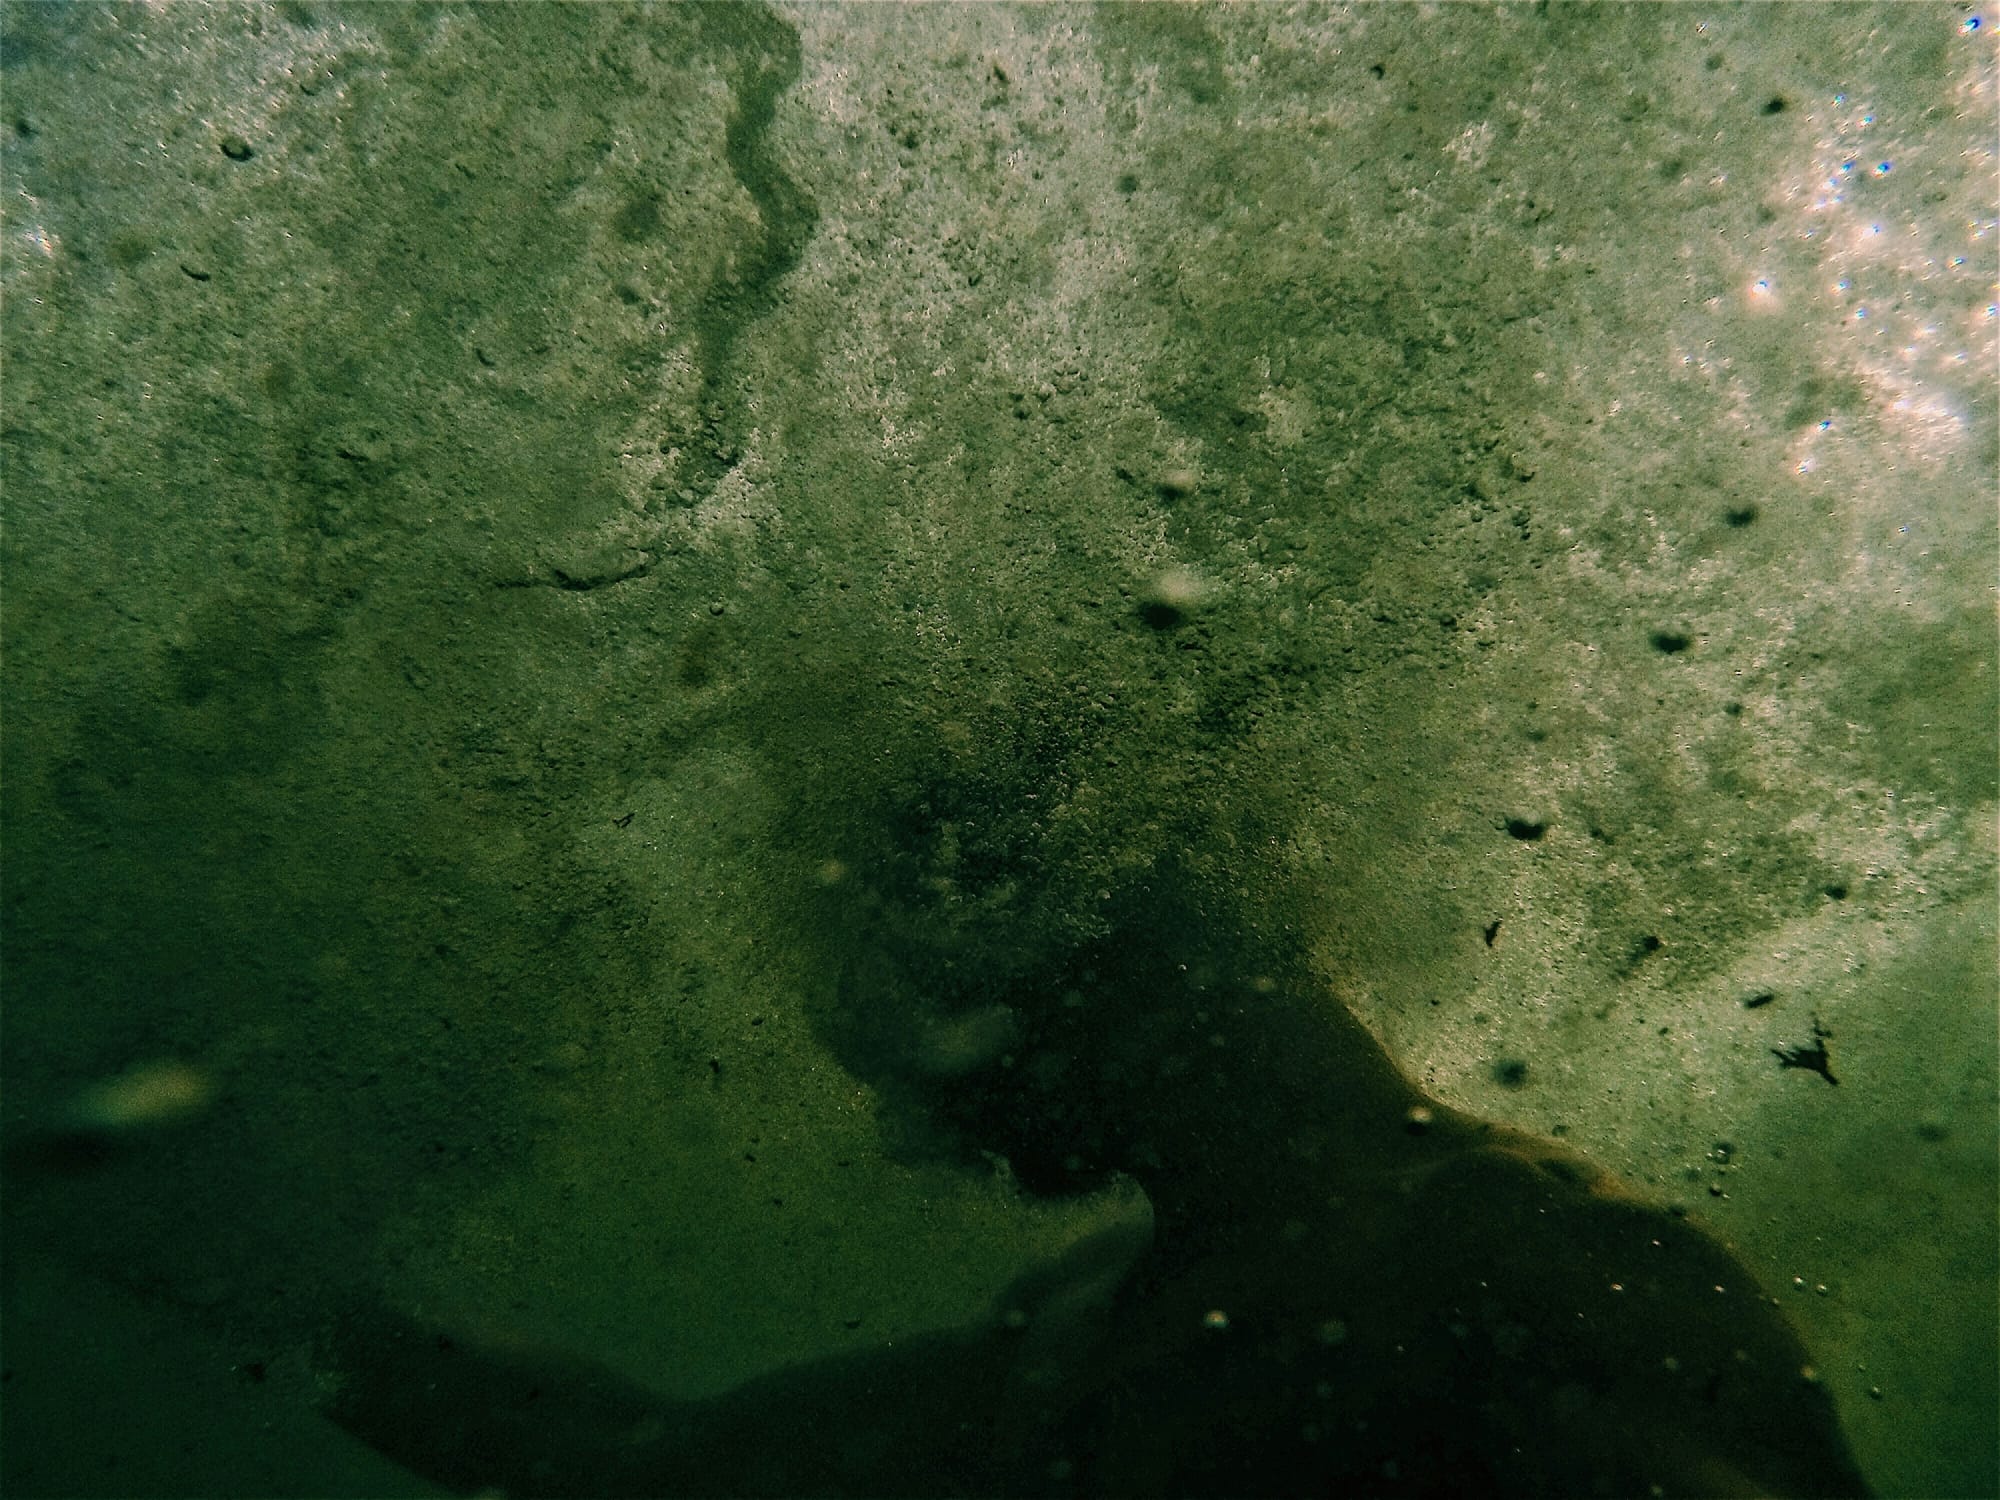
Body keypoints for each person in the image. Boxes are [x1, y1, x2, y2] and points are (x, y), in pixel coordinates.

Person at [325, 868, 1872, 1498]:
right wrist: (268, 1292)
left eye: (935, 984)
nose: (908, 1084)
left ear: (1108, 949)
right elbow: (669, 1461)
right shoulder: (1104, 1319)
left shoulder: (1518, 1270)